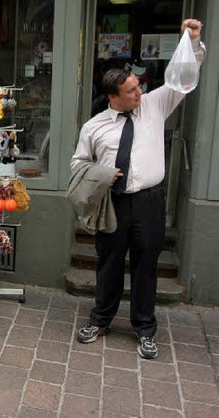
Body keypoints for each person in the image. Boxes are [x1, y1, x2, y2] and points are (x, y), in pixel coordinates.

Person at [70, 19, 205, 359]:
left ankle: (145, 329)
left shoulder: (155, 104)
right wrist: (101, 174)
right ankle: (100, 319)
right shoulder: (94, 126)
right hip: (113, 204)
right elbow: (78, 164)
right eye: (131, 91)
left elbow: (183, 80)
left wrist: (193, 44)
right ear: (114, 97)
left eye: (138, 86)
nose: (139, 93)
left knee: (146, 265)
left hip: (149, 202)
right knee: (110, 263)